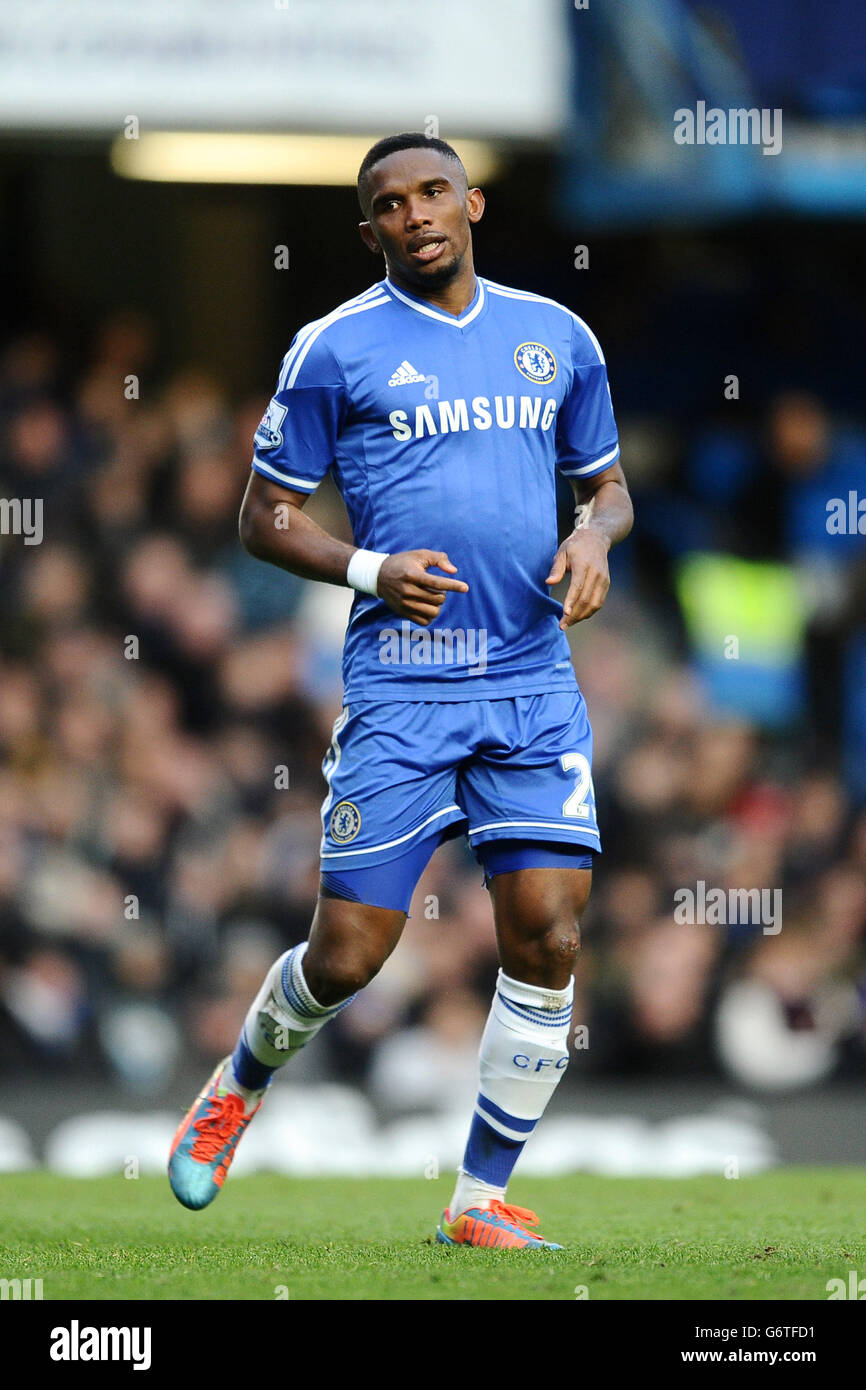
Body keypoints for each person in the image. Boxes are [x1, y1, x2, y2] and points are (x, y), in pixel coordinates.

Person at [168, 132, 633, 1249]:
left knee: (549, 935)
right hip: (402, 691)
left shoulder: (555, 337)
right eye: (389, 202)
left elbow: (607, 486)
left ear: (470, 202)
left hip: (528, 681)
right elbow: (260, 518)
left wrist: (592, 537)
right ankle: (238, 1082)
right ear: (367, 227)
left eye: (432, 192)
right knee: (349, 955)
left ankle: (478, 1199)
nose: (415, 213)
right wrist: (370, 569)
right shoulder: (334, 349)